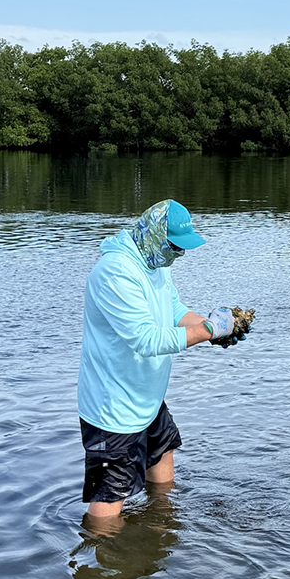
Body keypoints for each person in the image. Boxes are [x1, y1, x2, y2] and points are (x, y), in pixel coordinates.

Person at [77, 199, 244, 523]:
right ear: (153, 236)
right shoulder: (115, 272)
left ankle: (161, 529)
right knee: (109, 498)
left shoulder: (155, 263)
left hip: (146, 397)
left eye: (182, 248)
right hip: (113, 408)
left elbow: (175, 310)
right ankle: (100, 568)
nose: (178, 254)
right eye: (173, 246)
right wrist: (208, 331)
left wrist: (218, 330)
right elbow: (146, 339)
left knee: (164, 459)